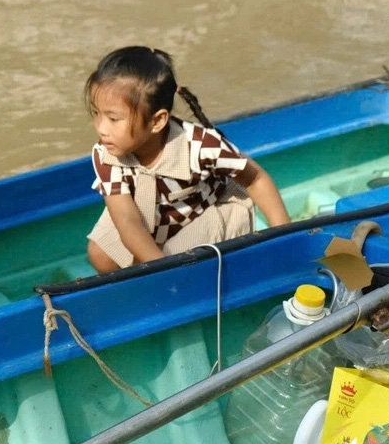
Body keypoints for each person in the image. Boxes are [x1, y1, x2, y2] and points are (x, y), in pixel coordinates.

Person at [83, 45, 290, 273]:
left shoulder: (201, 147)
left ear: (157, 121)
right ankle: (150, 288)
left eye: (113, 118)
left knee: (180, 262)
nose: (101, 129)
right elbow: (127, 220)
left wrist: (283, 238)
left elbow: (255, 179)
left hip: (205, 212)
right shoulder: (107, 154)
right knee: (100, 254)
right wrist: (160, 267)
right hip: (155, 215)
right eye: (96, 113)